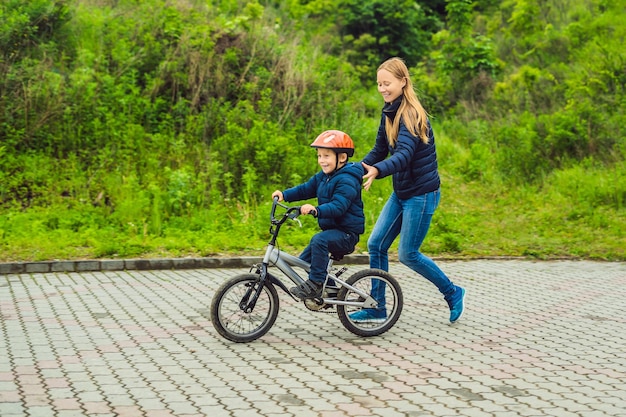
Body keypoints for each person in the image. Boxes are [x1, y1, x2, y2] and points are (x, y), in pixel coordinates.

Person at [350, 57, 466, 324]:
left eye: (387, 83)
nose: (382, 88)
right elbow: (379, 151)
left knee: (408, 254)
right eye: (379, 84)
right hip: (402, 191)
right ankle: (377, 306)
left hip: (422, 194)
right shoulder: (389, 110)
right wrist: (353, 170)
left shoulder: (412, 115)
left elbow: (402, 155)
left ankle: (453, 292)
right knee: (376, 244)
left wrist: (378, 171)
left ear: (403, 82)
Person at [272, 130, 365, 300]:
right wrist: (285, 194)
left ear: (342, 157)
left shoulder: (347, 179)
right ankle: (329, 292)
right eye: (319, 156)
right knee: (306, 260)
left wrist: (316, 210)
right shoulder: (324, 177)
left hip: (347, 234)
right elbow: (306, 189)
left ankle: (316, 285)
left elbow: (339, 206)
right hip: (333, 231)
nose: (322, 160)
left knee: (319, 241)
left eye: (326, 156)